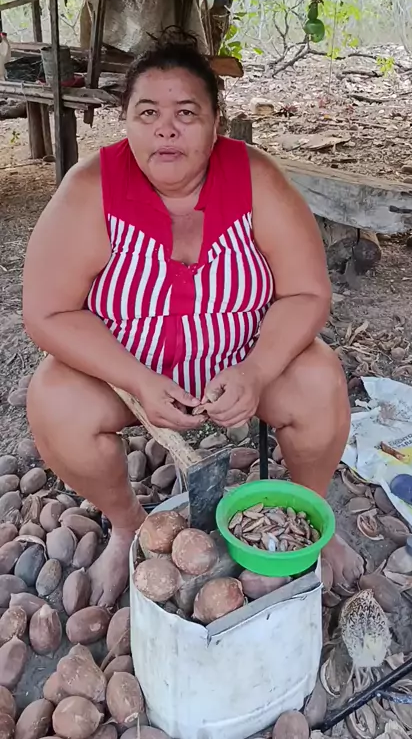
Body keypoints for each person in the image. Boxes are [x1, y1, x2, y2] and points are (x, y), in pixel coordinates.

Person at [23, 34, 362, 606]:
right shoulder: (90, 189)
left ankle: (308, 520)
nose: (166, 130)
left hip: (243, 363)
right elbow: (47, 312)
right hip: (126, 377)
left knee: (319, 378)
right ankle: (129, 526)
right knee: (54, 398)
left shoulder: (255, 179)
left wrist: (256, 371)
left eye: (186, 113)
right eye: (147, 113)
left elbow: (307, 293)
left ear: (215, 124)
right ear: (126, 122)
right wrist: (137, 379)